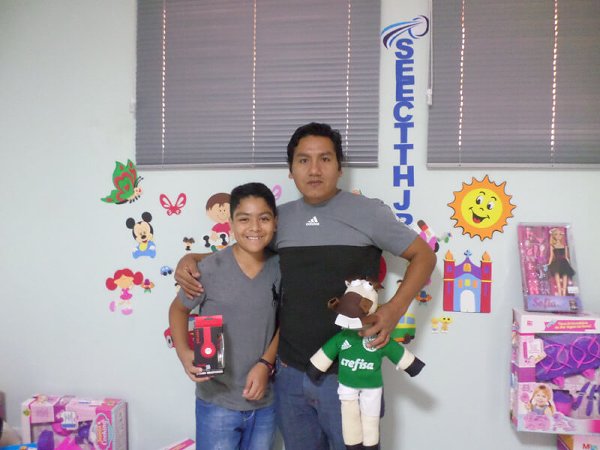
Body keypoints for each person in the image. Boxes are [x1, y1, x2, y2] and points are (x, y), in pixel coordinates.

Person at [175, 122, 437, 450]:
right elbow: (245, 249)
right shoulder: (279, 219)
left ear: (339, 167)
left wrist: (394, 309)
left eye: (325, 159)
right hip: (290, 376)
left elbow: (424, 255)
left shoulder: (369, 213)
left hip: (350, 374)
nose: (314, 169)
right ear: (291, 170)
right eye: (303, 160)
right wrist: (193, 259)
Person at [169, 182, 281, 450]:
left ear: (275, 222)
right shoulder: (208, 270)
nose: (254, 227)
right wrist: (183, 352)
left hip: (265, 403)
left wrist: (265, 364)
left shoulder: (281, 268)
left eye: (264, 218)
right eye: (244, 219)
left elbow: (285, 323)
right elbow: (178, 310)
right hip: (216, 402)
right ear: (230, 223)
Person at [547, 227, 575, 296]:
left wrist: (569, 265)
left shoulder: (564, 246)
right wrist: (549, 264)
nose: (558, 236)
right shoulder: (552, 246)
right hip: (556, 264)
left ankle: (564, 295)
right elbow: (551, 256)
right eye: (556, 234)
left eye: (560, 234)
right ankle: (560, 295)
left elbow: (566, 256)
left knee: (565, 283)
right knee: (558, 283)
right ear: (554, 236)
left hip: (564, 263)